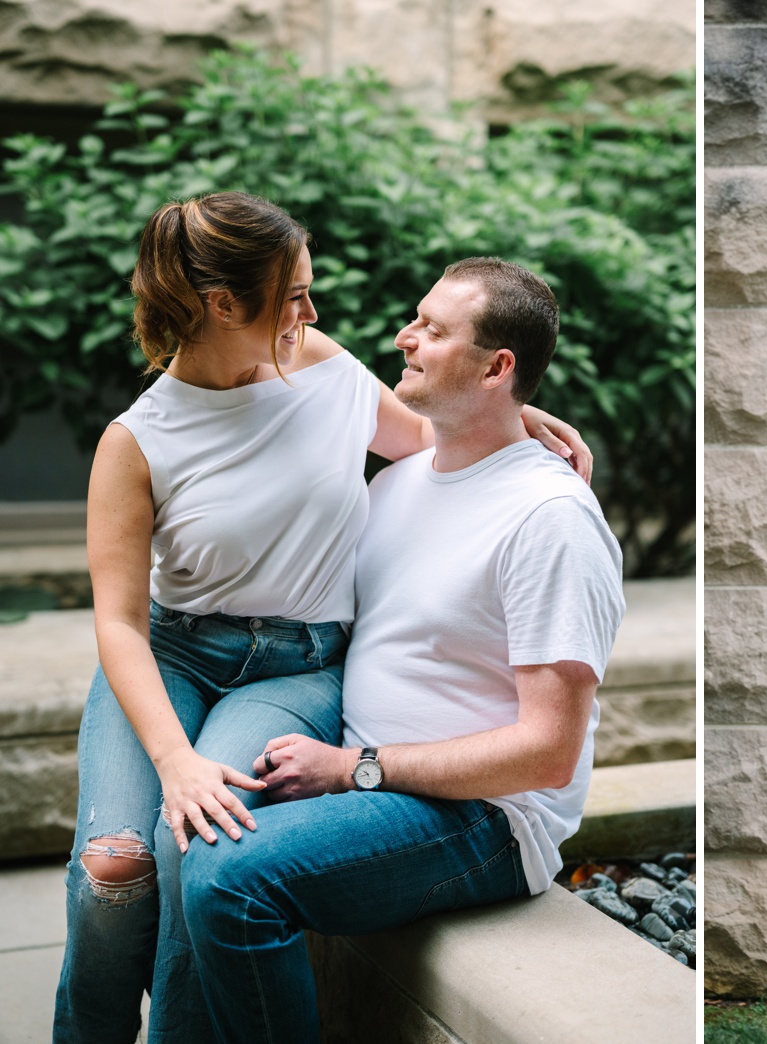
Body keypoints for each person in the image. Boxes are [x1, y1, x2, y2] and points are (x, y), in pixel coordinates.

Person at [53, 193, 588, 1044]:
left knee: (196, 846)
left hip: (294, 666)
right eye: (295, 293)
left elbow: (430, 435)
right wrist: (173, 758)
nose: (312, 310)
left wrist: (519, 413)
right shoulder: (136, 439)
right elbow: (117, 623)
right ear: (225, 304)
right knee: (113, 872)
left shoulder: (322, 365)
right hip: (172, 653)